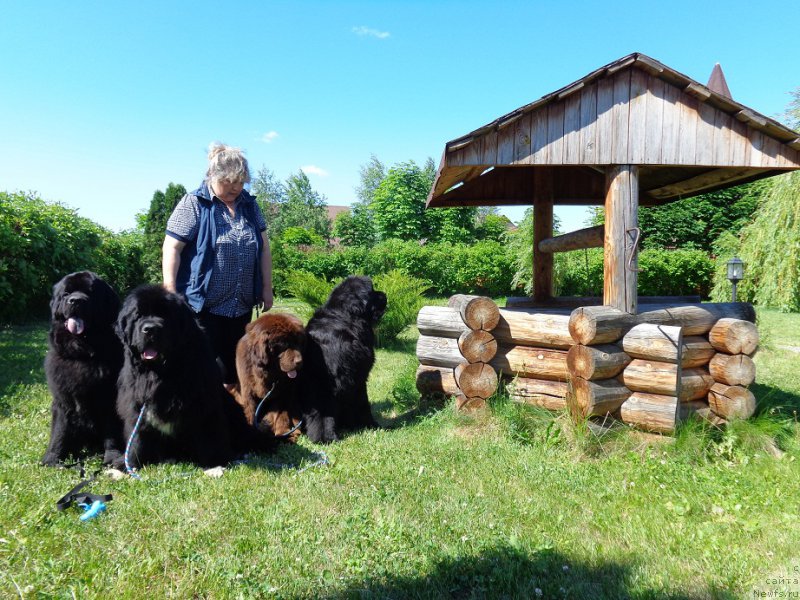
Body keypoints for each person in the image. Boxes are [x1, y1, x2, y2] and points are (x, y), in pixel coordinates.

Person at [162, 142, 273, 385]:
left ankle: (232, 406)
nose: (236, 187)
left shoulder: (249, 205)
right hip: (202, 306)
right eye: (229, 181)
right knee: (201, 369)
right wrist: (169, 290)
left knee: (236, 367)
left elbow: (264, 248)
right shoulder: (194, 203)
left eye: (240, 182)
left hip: (241, 304)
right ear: (213, 175)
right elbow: (172, 247)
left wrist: (267, 288)